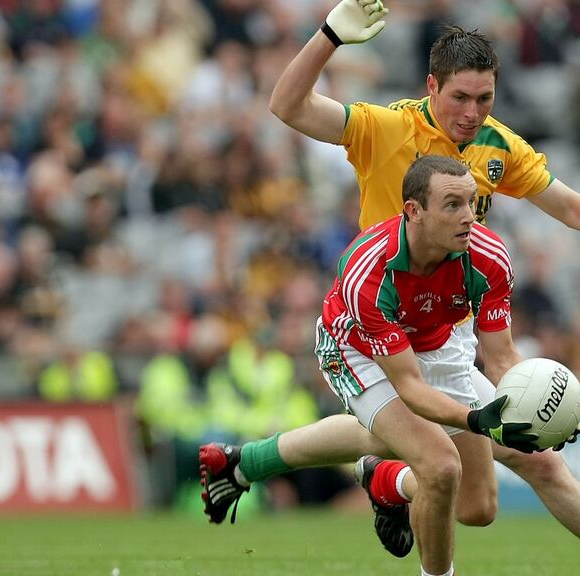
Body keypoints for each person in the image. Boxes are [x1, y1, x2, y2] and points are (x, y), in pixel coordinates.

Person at [204, 1, 580, 576]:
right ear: (431, 87)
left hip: (444, 330)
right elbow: (286, 105)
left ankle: (377, 479)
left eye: (485, 99)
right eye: (460, 98)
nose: (472, 114)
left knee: (488, 499)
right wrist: (328, 36)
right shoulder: (385, 128)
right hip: (372, 323)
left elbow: (568, 207)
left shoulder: (497, 158)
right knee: (437, 461)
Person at [205, 155, 542, 576]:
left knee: (478, 508)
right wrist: (476, 419)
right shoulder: (369, 269)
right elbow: (410, 388)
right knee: (439, 465)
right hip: (355, 349)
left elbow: (502, 357)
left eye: (471, 202)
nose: (469, 216)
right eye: (452, 204)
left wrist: (536, 409)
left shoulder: (488, 254)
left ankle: (384, 480)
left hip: (434, 346)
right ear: (413, 212)